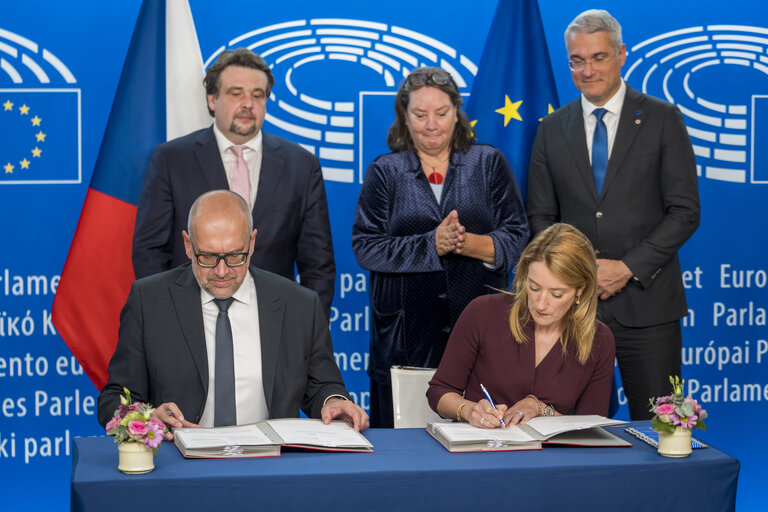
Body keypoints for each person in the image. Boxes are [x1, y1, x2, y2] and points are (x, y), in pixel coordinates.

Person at [526, 10, 700, 419]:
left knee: (660, 431)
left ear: (621, 54)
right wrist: (578, 274)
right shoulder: (552, 129)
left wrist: (627, 267)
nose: (588, 70)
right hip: (575, 312)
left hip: (649, 308)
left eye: (599, 57)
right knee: (568, 435)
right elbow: (540, 217)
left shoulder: (662, 119)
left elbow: (685, 211)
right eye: (576, 60)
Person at [98, 190, 368, 434]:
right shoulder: (150, 301)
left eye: (235, 256)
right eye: (208, 257)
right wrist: (148, 418)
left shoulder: (298, 304)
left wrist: (334, 402)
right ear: (188, 245)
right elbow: (114, 399)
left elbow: (322, 385)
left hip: (271, 466)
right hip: (180, 467)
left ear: (252, 242)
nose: (222, 271)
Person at [352, 67, 529, 427]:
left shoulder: (487, 162)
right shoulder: (385, 171)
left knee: (485, 441)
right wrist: (431, 244)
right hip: (404, 337)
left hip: (481, 332)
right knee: (403, 453)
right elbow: (366, 246)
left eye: (441, 113)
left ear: (457, 113)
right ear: (405, 115)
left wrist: (467, 243)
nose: (431, 124)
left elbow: (518, 235)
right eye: (420, 115)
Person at [132, 48, 335, 318]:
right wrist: (169, 319)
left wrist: (307, 330)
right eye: (236, 93)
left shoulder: (301, 165)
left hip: (274, 323)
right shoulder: (171, 159)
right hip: (190, 318)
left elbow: (318, 265)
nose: (248, 104)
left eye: (257, 95)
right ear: (212, 99)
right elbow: (150, 252)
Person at [427, 223, 615, 427]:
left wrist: (541, 409)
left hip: (552, 457)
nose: (541, 304)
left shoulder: (599, 339)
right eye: (534, 287)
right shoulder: (482, 313)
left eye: (556, 294)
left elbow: (591, 425)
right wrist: (469, 410)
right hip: (482, 449)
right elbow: (439, 391)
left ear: (580, 289)